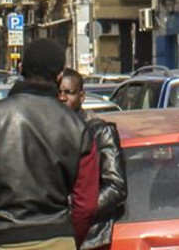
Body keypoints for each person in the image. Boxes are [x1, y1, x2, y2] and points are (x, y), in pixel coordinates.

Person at [0, 39, 101, 250]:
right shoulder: (78, 126)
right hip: (58, 239)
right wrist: (69, 239)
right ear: (59, 76)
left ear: (21, 69)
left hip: (5, 240)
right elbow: (86, 204)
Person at [56, 70, 126, 250]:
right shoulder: (47, 130)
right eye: (59, 92)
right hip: (54, 235)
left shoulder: (100, 131)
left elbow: (115, 187)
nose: (63, 97)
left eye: (69, 92)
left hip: (92, 237)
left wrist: (73, 208)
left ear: (82, 96)